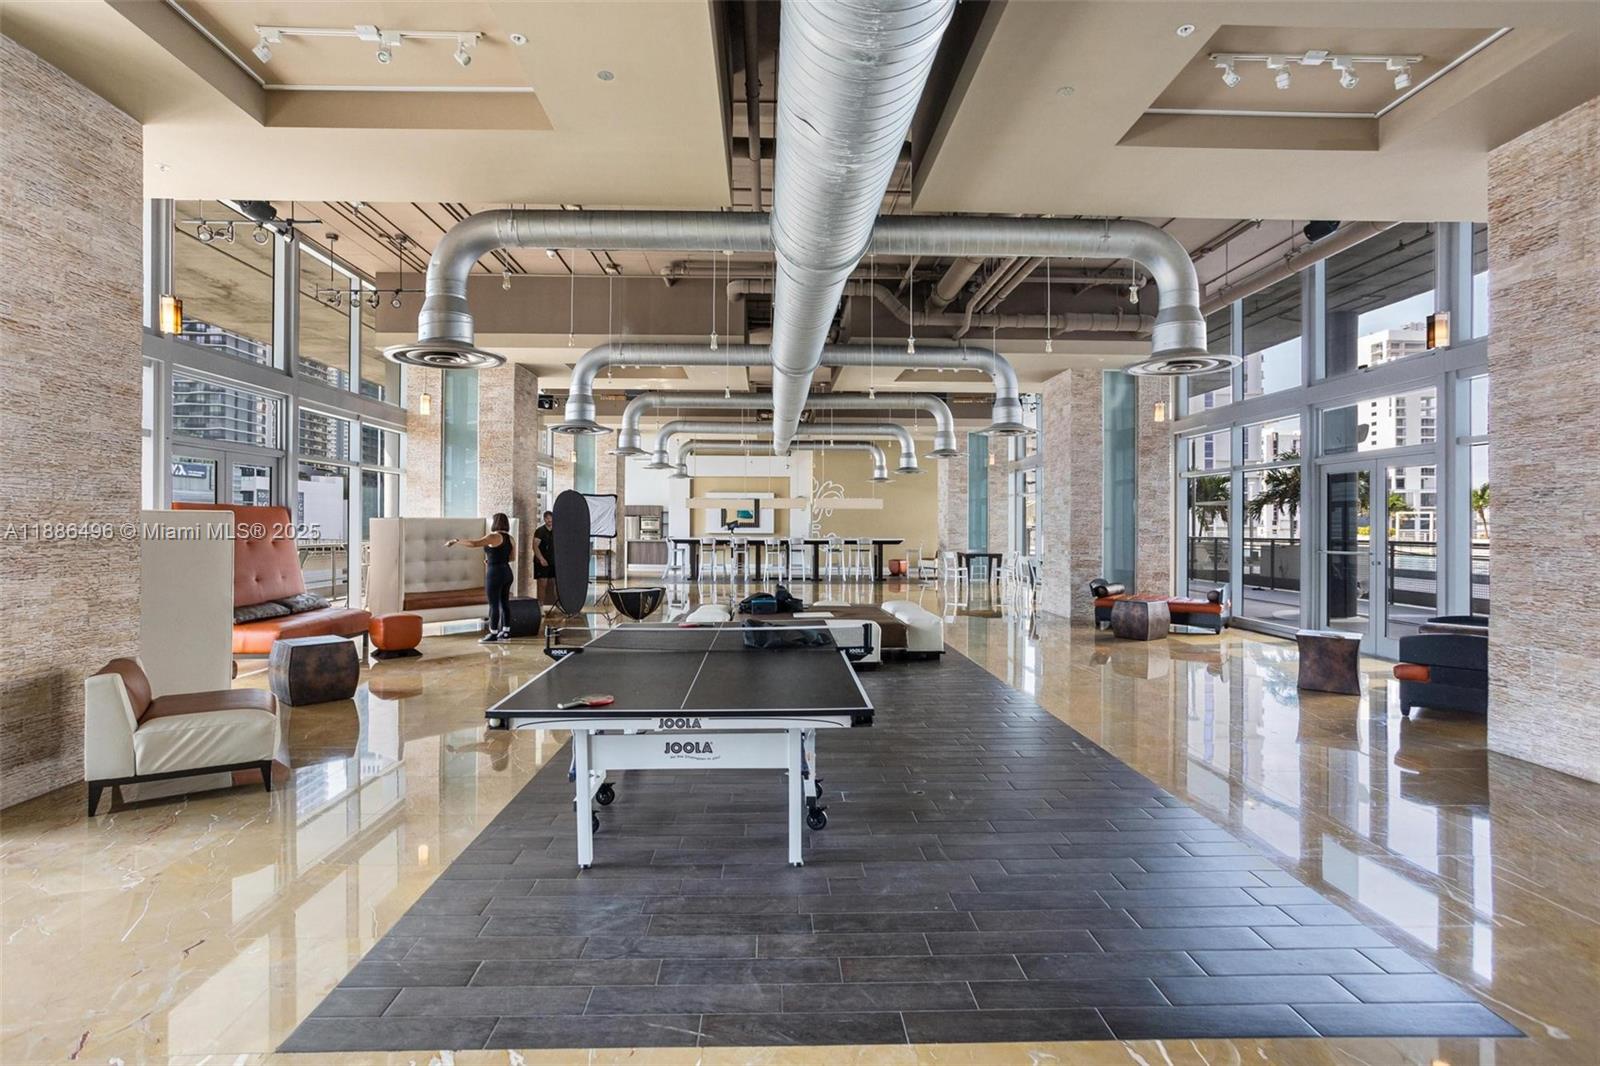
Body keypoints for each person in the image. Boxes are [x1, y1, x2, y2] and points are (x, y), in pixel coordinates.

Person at [445, 513, 515, 643]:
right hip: (507, 573)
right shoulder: (510, 538)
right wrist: (493, 560)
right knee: (504, 602)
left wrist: (456, 541)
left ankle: (493, 633)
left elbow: (473, 543)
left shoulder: (493, 536)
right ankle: (506, 632)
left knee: (493, 604)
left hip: (495, 573)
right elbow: (512, 558)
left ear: (495, 522)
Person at [533, 510, 556, 605]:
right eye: (547, 518)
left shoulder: (557, 530)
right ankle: (540, 605)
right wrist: (541, 559)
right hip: (541, 562)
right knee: (542, 584)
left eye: (551, 518)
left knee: (556, 584)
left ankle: (558, 605)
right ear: (544, 519)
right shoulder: (540, 531)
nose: (549, 520)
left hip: (554, 561)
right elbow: (534, 546)